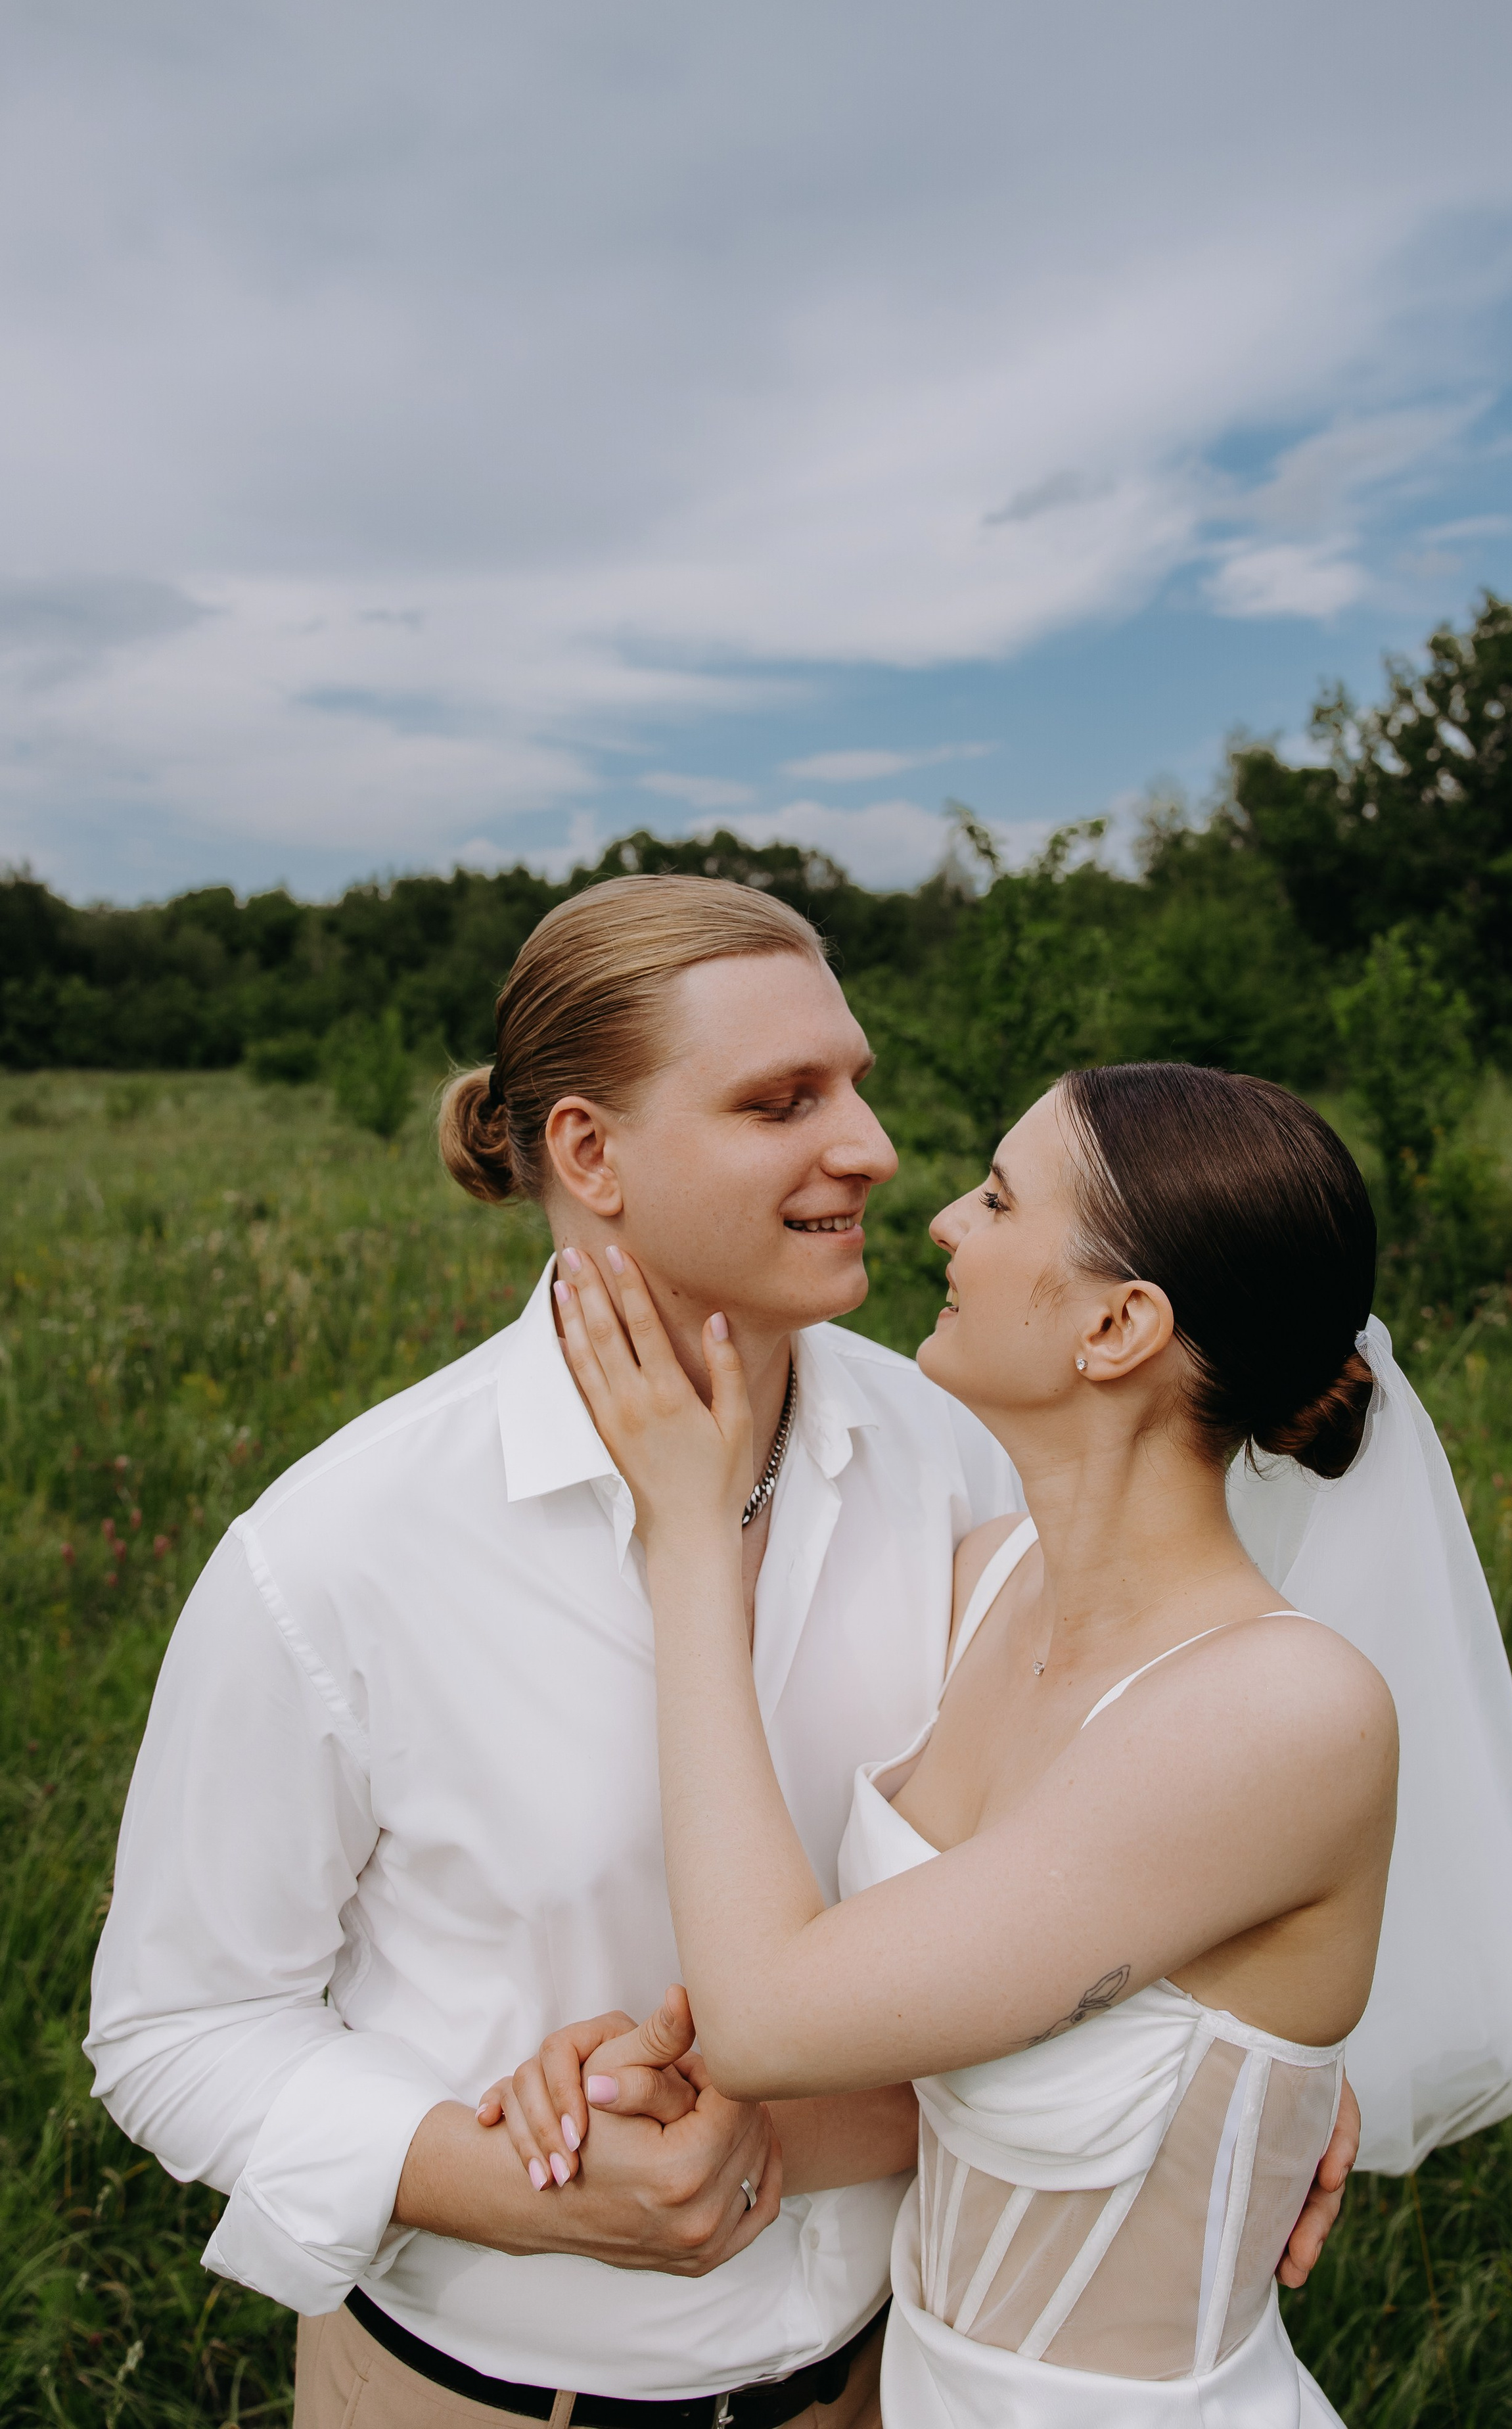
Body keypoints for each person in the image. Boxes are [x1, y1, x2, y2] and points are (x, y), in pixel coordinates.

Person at [86, 881, 1356, 2429]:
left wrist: (1222, 2072)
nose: (872, 1151)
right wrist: (503, 2182)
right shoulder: (339, 1553)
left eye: (855, 1086)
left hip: (887, 2384)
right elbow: (179, 2029)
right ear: (588, 1154)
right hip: (484, 2400)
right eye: (779, 1102)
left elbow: (1136, 1823)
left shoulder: (956, 1456)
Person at [499, 1062, 1396, 2424]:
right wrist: (650, 2065)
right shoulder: (981, 1583)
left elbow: (771, 2016)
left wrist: (686, 1537)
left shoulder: (1283, 1711)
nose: (940, 1224)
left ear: (1115, 1327)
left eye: (995, 1198)